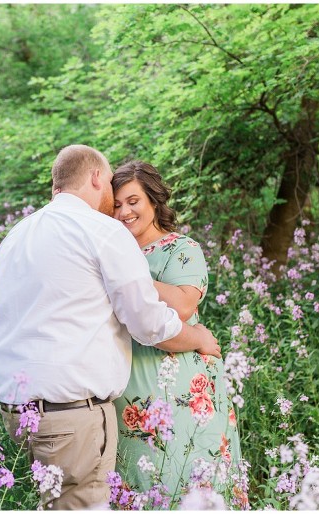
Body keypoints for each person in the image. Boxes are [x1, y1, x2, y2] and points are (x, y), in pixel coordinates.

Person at [0, 145, 221, 510]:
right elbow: (149, 324)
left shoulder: (18, 234)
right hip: (71, 416)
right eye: (112, 187)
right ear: (97, 177)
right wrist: (200, 337)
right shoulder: (102, 232)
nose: (117, 205)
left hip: (18, 411)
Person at [110, 161, 246, 507]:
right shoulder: (111, 253)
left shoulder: (182, 249)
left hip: (181, 382)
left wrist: (130, 278)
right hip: (128, 384)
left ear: (154, 201)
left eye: (133, 201)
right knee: (138, 480)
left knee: (186, 472)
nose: (124, 211)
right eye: (116, 205)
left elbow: (183, 306)